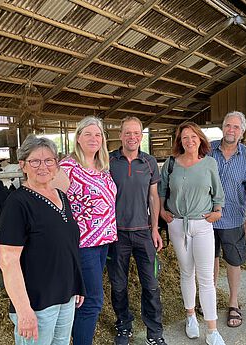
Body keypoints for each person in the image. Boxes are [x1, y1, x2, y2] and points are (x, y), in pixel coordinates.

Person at [0, 135, 85, 345]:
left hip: (65, 295)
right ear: (23, 165)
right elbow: (7, 260)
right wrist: (23, 310)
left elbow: (68, 244)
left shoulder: (61, 196)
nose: (43, 166)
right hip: (37, 303)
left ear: (56, 165)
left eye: (49, 161)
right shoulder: (17, 203)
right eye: (35, 161)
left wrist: (77, 284)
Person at [159, 122, 226, 345]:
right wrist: (161, 210)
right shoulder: (171, 164)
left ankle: (212, 329)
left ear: (200, 139)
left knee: (206, 278)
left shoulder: (209, 163)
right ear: (180, 141)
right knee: (186, 272)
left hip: (202, 224)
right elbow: (161, 191)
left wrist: (218, 212)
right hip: (177, 224)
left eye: (193, 137)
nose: (189, 141)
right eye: (184, 137)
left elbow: (218, 193)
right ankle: (190, 318)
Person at [52, 116, 118, 345]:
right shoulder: (68, 167)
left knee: (83, 299)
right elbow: (51, 204)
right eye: (88, 134)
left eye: (98, 134)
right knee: (93, 300)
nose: (93, 138)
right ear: (78, 138)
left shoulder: (103, 167)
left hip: (103, 242)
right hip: (82, 244)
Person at [107, 116, 166, 345]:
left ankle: (154, 332)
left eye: (136, 133)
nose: (132, 137)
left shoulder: (149, 162)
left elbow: (153, 197)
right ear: (120, 135)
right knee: (118, 284)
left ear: (142, 136)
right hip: (116, 234)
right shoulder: (110, 160)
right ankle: (124, 326)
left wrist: (155, 230)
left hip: (143, 232)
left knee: (151, 284)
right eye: (127, 133)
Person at [208, 111, 246, 328]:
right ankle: (208, 299)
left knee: (233, 260)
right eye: (228, 125)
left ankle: (233, 302)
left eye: (236, 127)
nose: (231, 130)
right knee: (209, 259)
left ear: (243, 131)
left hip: (233, 218)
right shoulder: (207, 149)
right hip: (207, 217)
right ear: (222, 127)